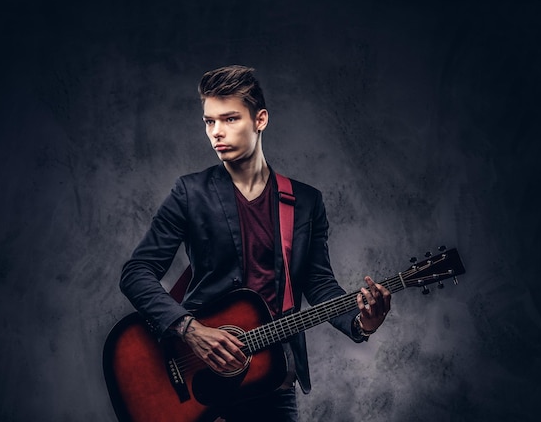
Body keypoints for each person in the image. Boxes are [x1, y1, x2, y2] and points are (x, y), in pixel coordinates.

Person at [120, 65, 391, 421]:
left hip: (273, 380)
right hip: (202, 378)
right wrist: (190, 330)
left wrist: (362, 322)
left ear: (260, 119)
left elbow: (320, 285)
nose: (216, 132)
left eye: (230, 119)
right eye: (209, 121)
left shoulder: (306, 202)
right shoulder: (190, 193)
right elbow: (136, 272)